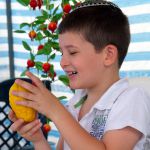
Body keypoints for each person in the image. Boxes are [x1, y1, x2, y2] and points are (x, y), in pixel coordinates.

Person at [8, 0, 150, 150]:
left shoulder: (132, 99)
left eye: (73, 52)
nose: (62, 62)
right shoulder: (76, 103)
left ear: (108, 55)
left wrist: (56, 111)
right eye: (62, 53)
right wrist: (37, 139)